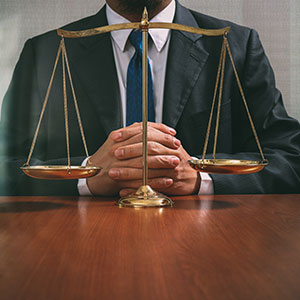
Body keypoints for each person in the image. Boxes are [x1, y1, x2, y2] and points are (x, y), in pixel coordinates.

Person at [0, 0, 299, 196]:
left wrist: (199, 178)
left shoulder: (237, 47)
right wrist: (85, 176)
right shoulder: (46, 52)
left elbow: (290, 160)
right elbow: (5, 165)